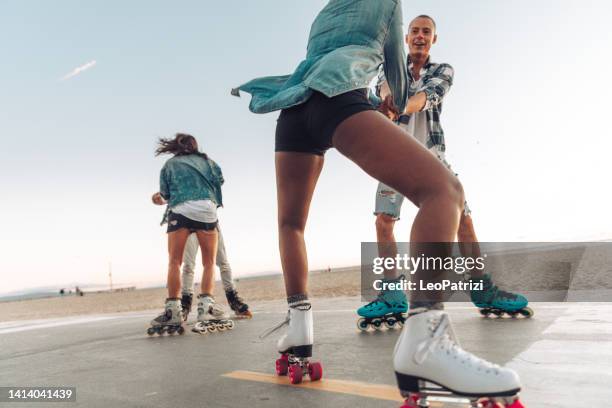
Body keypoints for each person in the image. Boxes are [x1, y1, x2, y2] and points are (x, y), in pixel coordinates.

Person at [232, 0, 523, 405]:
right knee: (446, 193)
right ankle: (426, 338)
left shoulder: (327, 11)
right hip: (339, 101)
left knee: (291, 224)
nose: (418, 36)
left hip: (295, 110)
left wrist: (382, 105)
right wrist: (391, 102)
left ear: (432, 38)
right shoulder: (386, 3)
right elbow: (395, 80)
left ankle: (299, 327)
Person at [357, 15, 531, 331]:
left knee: (463, 222)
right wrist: (378, 105)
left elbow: (429, 96)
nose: (420, 36)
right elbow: (375, 100)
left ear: (433, 39)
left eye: (426, 32)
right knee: (383, 222)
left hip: (432, 156)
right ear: (406, 37)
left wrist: (401, 105)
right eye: (414, 31)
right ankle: (393, 292)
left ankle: (483, 290)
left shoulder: (442, 70)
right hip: (394, 155)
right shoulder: (387, 72)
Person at [147, 133, 233, 336]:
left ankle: (173, 311)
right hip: (206, 210)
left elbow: (165, 195)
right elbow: (220, 180)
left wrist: (165, 196)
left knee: (175, 262)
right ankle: (206, 308)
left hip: (181, 211)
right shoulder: (208, 162)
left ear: (176, 146)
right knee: (209, 262)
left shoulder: (169, 165)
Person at [152, 193, 252, 320]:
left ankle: (234, 300)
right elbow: (166, 195)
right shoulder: (180, 177)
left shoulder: (205, 175)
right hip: (187, 222)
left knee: (223, 263)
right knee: (188, 266)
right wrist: (161, 198)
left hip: (209, 220)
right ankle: (185, 306)